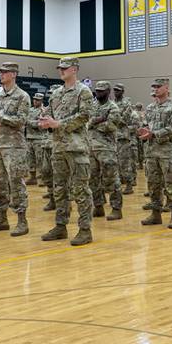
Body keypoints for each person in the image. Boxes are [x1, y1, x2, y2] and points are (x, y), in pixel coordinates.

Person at [38, 57, 94, 246]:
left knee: (81, 190)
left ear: (75, 69)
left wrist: (58, 124)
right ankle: (61, 226)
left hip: (76, 148)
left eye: (65, 67)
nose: (61, 70)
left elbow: (85, 116)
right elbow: (53, 117)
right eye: (59, 67)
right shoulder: (56, 94)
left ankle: (85, 230)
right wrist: (46, 121)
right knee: (59, 189)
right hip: (59, 147)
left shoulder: (83, 91)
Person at [0, 62, 31, 235]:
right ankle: (2, 218)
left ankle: (22, 221)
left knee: (16, 183)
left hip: (14, 147)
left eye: (4, 72)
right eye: (0, 72)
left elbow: (21, 121)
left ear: (14, 74)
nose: (1, 75)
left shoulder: (22, 96)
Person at [139, 78, 172, 228]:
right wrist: (143, 131)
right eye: (154, 87)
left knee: (171, 184)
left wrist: (154, 134)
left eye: (158, 86)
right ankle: (155, 214)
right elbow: (146, 125)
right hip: (151, 152)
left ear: (166, 88)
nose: (155, 89)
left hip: (168, 153)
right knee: (153, 184)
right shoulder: (150, 108)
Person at [87, 81, 123, 222]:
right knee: (93, 179)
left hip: (107, 148)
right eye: (97, 90)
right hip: (91, 147)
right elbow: (86, 123)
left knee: (111, 178)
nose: (98, 93)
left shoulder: (113, 107)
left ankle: (116, 209)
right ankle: (98, 206)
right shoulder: (92, 105)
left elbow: (112, 125)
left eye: (102, 91)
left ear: (108, 92)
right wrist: (97, 121)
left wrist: (94, 124)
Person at [113, 83, 136, 194]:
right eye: (114, 90)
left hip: (122, 137)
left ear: (122, 91)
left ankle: (129, 184)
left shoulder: (127, 104)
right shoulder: (112, 103)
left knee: (124, 162)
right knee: (114, 163)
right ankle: (117, 184)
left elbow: (124, 120)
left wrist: (112, 119)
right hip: (112, 137)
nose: (115, 92)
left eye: (118, 90)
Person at [25, 93, 45, 185]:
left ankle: (41, 178)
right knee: (30, 158)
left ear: (41, 101)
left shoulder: (44, 110)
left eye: (37, 100)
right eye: (34, 99)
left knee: (39, 159)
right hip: (29, 137)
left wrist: (29, 122)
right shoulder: (30, 110)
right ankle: (32, 177)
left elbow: (39, 124)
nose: (35, 101)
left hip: (39, 138)